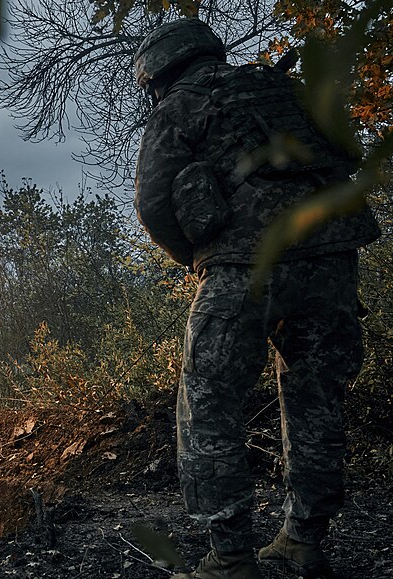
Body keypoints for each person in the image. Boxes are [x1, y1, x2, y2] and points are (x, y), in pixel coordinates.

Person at [132, 17, 381, 579]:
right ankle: (303, 541)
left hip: (246, 267)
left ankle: (230, 558)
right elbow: (348, 151)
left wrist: (199, 254)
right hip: (332, 257)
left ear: (159, 73)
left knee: (209, 403)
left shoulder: (181, 106)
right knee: (317, 398)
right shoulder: (286, 90)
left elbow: (152, 202)